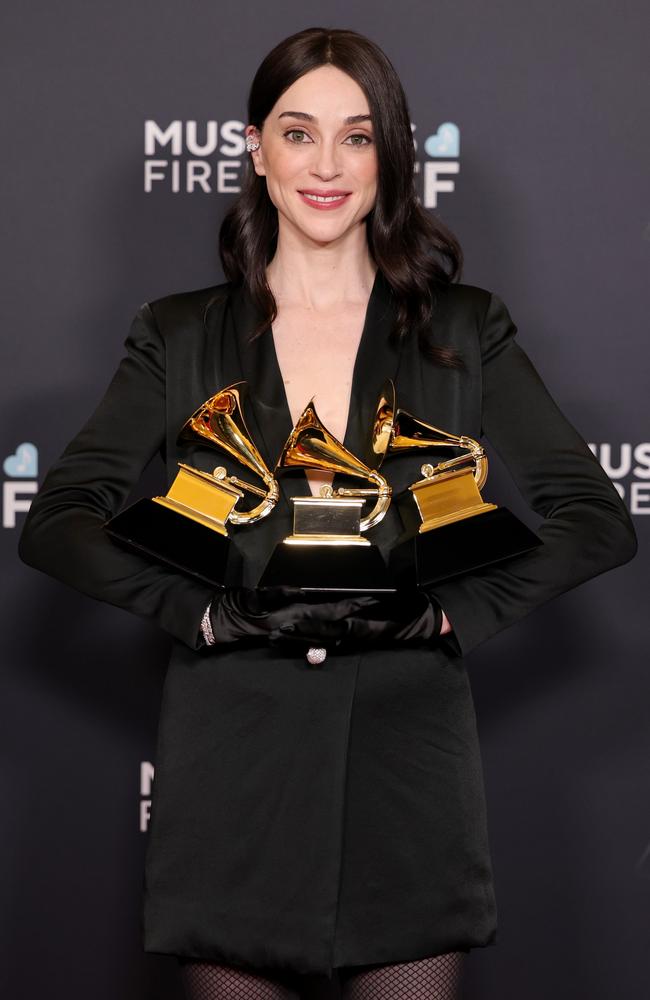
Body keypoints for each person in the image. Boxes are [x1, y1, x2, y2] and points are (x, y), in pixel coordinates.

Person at [18, 25, 637, 1000]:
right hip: (233, 752)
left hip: (406, 749)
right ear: (256, 150)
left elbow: (594, 518)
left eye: (355, 136)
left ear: (389, 156)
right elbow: (57, 520)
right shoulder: (178, 333)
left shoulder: (459, 329)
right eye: (298, 132)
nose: (325, 163)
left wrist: (448, 613)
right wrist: (202, 611)